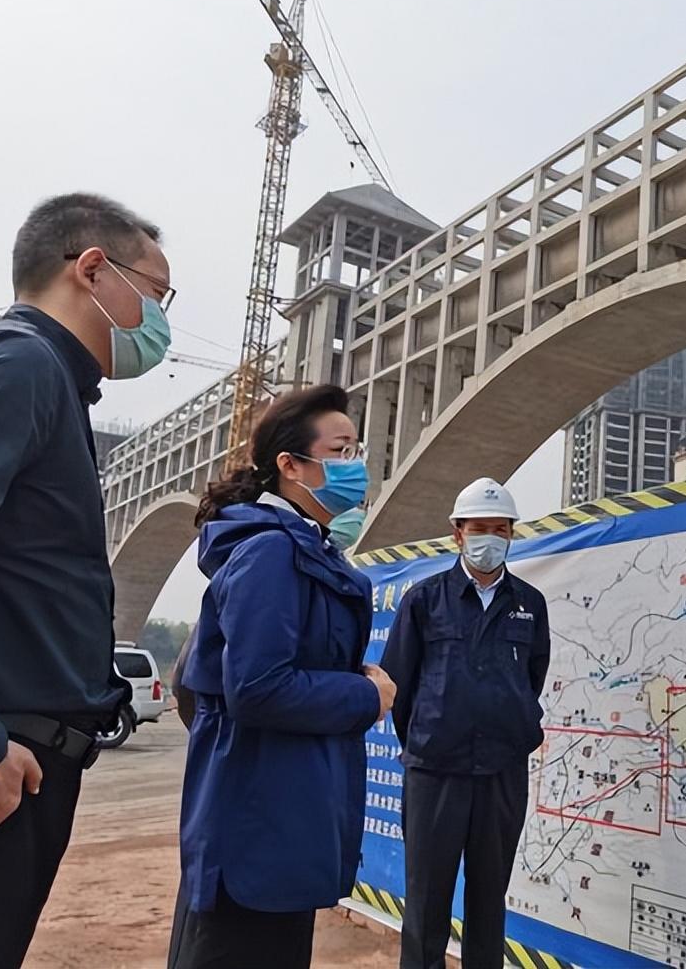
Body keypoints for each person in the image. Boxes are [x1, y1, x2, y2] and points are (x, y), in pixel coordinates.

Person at [0, 193, 173, 967]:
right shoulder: (18, 363)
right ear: (92, 269)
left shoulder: (53, 383)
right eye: (157, 293)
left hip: (22, 766)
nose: (159, 319)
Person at [168, 385, 397, 969]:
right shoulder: (270, 552)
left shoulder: (298, 549)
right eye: (341, 450)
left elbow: (197, 686)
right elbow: (258, 688)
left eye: (357, 449)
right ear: (291, 466)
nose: (357, 465)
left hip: (276, 823)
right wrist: (364, 694)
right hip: (256, 835)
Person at [381, 478, 551, 969]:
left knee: (488, 899)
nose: (490, 539)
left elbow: (531, 679)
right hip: (435, 773)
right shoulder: (423, 599)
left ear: (512, 535)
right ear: (457, 532)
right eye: (480, 528)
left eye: (501, 529)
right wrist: (431, 737)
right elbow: (398, 688)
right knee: (427, 901)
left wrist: (504, 722)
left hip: (501, 772)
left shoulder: (529, 604)